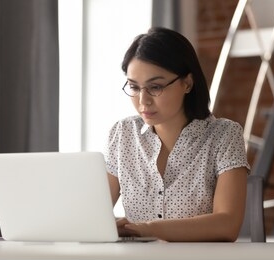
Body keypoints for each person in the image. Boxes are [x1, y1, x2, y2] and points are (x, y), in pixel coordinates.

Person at [105, 27, 249, 242]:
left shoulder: (224, 135)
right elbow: (94, 214)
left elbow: (227, 224)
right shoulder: (123, 134)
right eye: (134, 87)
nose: (143, 101)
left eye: (155, 87)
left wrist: (147, 229)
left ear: (187, 83)